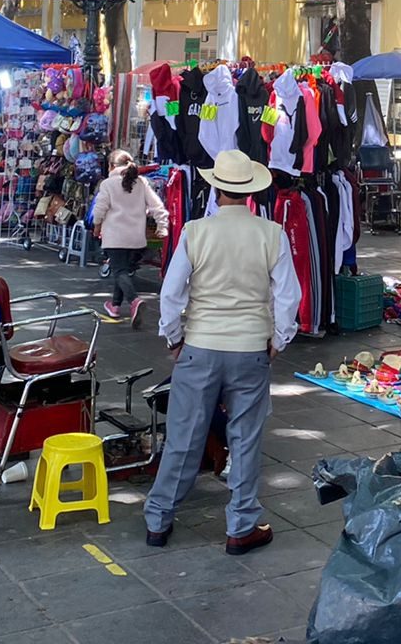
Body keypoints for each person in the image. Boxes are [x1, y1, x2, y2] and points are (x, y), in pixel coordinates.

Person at [146, 149, 301, 556]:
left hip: (199, 346)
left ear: (215, 189)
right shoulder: (271, 234)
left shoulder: (195, 232)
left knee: (183, 437)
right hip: (251, 349)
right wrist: (279, 339)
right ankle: (241, 526)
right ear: (251, 192)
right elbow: (288, 297)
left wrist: (174, 338)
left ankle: (159, 519)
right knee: (245, 439)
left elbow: (170, 295)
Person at [92, 150, 169, 323]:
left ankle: (134, 300)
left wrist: (97, 226)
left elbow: (100, 208)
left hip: (115, 237)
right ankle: (115, 305)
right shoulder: (141, 182)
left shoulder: (108, 184)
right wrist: (162, 225)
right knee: (124, 271)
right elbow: (157, 206)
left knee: (119, 271)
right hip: (136, 238)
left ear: (112, 166)